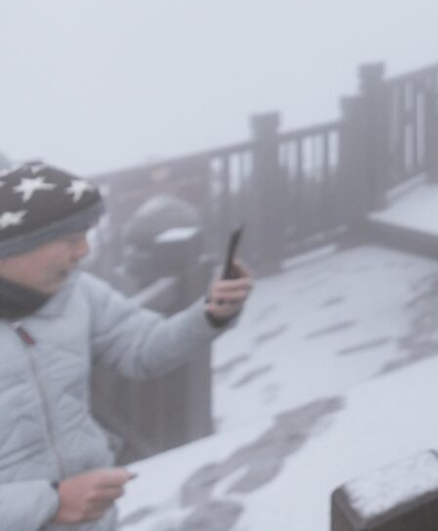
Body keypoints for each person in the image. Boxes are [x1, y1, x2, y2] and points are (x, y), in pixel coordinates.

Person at [0, 160, 252, 530]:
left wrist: (210, 315)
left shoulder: (76, 292)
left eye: (86, 235)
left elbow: (141, 348)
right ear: (16, 243)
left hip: (92, 517)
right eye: (70, 239)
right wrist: (49, 503)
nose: (84, 250)